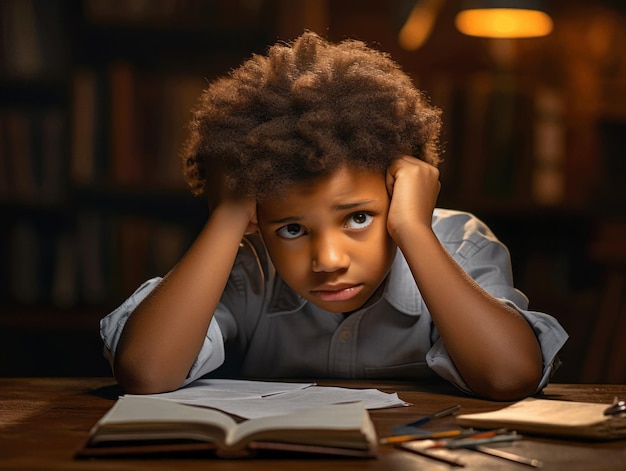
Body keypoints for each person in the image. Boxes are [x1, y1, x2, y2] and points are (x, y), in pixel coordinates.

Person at [100, 31, 568, 401]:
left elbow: (509, 376)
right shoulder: (249, 268)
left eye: (358, 218)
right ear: (258, 222)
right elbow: (146, 372)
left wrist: (413, 230)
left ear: (402, 191)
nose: (328, 260)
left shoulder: (461, 244)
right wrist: (228, 214)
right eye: (292, 228)